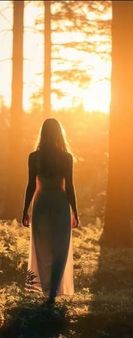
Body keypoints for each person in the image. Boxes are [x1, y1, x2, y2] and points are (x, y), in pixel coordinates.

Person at [22, 118, 79, 304]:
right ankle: (53, 290)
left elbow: (31, 186)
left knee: (43, 247)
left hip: (42, 203)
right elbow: (69, 187)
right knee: (59, 247)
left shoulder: (34, 157)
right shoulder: (66, 157)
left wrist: (25, 210)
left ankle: (47, 289)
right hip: (60, 203)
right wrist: (75, 212)